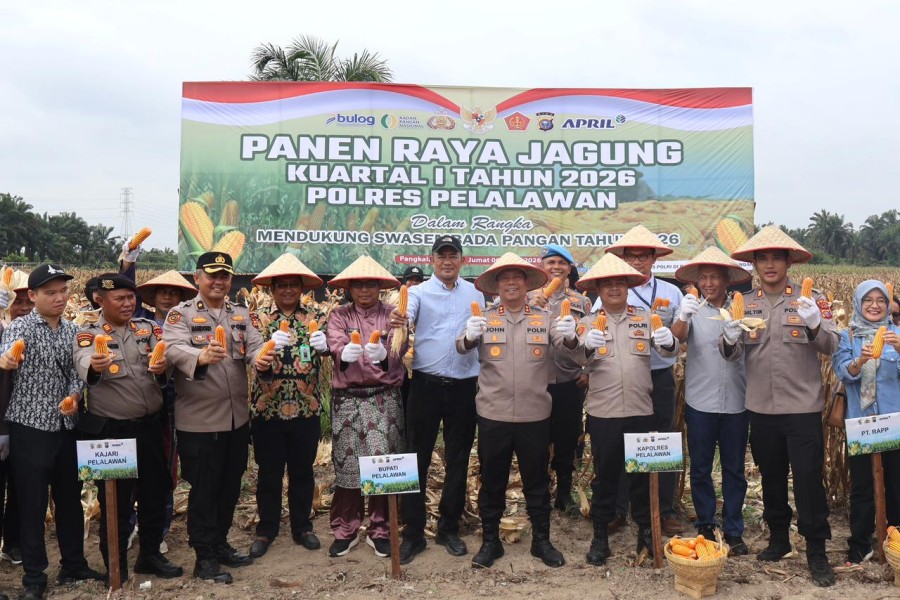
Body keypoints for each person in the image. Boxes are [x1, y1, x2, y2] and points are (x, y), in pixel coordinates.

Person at [723, 226, 838, 587]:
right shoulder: (743, 303)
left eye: (777, 258)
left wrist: (816, 325)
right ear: (755, 264)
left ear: (789, 263)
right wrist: (728, 339)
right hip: (761, 407)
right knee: (771, 478)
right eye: (763, 259)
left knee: (808, 480)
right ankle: (778, 539)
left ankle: (816, 551)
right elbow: (731, 354)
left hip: (802, 408)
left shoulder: (811, 299)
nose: (770, 264)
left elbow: (832, 344)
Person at [457, 252, 580, 569]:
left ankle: (542, 541)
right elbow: (461, 346)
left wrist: (571, 336)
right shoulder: (484, 317)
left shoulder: (544, 317)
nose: (511, 283)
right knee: (492, 481)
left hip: (534, 415)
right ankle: (490, 542)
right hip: (493, 415)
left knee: (537, 482)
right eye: (504, 278)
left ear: (527, 284)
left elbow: (567, 346)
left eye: (517, 278)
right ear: (497, 285)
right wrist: (468, 336)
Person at [163, 252, 276, 584]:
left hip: (235, 420)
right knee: (205, 491)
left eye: (225, 276)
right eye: (212, 275)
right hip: (200, 422)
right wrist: (200, 356)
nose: (219, 281)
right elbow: (172, 348)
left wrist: (262, 358)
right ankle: (204, 557)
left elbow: (254, 346)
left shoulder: (240, 314)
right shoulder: (181, 314)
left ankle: (220, 542)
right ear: (197, 278)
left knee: (229, 487)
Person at [72, 274, 183, 581]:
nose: (127, 304)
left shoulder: (146, 328)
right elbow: (83, 360)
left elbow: (165, 356)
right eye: (119, 298)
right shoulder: (88, 333)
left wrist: (163, 365)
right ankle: (115, 565)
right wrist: (94, 365)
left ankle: (149, 555)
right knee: (116, 503)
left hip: (150, 428)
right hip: (113, 434)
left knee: (154, 494)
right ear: (100, 300)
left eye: (130, 298)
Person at [0, 264, 102, 600]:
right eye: (50, 293)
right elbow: (8, 352)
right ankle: (34, 576)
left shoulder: (73, 331)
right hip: (30, 427)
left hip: (65, 427)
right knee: (32, 504)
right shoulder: (21, 327)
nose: (59, 298)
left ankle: (73, 564)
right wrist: (7, 360)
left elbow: (76, 371)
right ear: (32, 296)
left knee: (70, 500)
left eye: (63, 292)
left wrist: (74, 396)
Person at [573, 253, 679, 565]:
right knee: (605, 478)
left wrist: (669, 340)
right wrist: (585, 347)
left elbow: (668, 351)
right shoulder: (587, 323)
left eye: (620, 283)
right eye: (608, 284)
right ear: (599, 290)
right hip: (603, 413)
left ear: (628, 287)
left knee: (642, 477)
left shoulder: (645, 318)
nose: (615, 288)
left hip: (640, 410)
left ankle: (646, 533)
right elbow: (575, 360)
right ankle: (600, 537)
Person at [391, 235, 484, 564]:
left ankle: (448, 528)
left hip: (464, 386)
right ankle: (413, 533)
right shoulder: (417, 293)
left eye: (453, 255)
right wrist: (401, 319)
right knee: (416, 458)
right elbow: (406, 315)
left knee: (458, 459)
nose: (447, 261)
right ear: (432, 260)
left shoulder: (475, 294)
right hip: (426, 385)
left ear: (462, 260)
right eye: (441, 255)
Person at [245, 254, 329, 558]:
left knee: (302, 472)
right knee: (268, 473)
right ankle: (266, 529)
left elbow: (331, 349)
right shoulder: (257, 318)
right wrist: (266, 353)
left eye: (294, 284)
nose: (289, 290)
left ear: (302, 288)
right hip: (268, 408)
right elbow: (251, 357)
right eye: (282, 285)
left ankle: (302, 526)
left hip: (306, 408)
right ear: (272, 289)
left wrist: (326, 348)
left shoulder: (317, 316)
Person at [325, 255, 408, 559]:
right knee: (348, 465)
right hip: (348, 398)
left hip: (384, 396)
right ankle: (345, 528)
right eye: (358, 284)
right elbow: (334, 341)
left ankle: (381, 529)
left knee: (383, 463)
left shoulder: (394, 315)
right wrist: (343, 351)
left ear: (379, 287)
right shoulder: (339, 315)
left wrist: (386, 354)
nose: (364, 289)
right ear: (349, 287)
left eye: (370, 284)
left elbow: (401, 346)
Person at [603, 225, 684, 536]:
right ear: (623, 258)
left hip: (660, 375)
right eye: (631, 256)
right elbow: (593, 329)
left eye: (643, 256)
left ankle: (664, 510)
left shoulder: (671, 292)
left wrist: (676, 328)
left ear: (654, 259)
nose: (637, 262)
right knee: (625, 439)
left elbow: (682, 335)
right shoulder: (612, 289)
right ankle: (619, 509)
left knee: (662, 440)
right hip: (625, 376)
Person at [671, 247, 751, 555]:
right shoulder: (692, 308)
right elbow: (677, 337)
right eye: (703, 278)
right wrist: (682, 316)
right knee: (701, 468)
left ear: (727, 280)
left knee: (734, 469)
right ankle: (705, 523)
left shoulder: (742, 309)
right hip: (699, 401)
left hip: (736, 401)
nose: (708, 283)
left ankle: (733, 529)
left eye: (714, 277)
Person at [832, 280, 900, 566]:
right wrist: (859, 361)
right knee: (861, 486)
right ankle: (860, 543)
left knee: (896, 484)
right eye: (868, 300)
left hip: (894, 422)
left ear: (888, 305)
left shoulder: (897, 334)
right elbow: (842, 372)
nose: (875, 305)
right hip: (861, 424)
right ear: (858, 304)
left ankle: (894, 541)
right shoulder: (848, 335)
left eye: (881, 300)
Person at [528, 244, 592, 512]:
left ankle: (564, 493)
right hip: (536, 381)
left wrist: (587, 371)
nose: (556, 267)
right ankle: (539, 492)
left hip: (569, 380)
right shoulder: (528, 297)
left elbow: (591, 338)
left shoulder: (581, 301)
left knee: (568, 439)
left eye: (561, 263)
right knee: (537, 440)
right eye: (551, 262)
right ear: (542, 267)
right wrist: (531, 308)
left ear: (569, 268)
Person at [0, 269, 28, 569]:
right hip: (2, 423)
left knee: (21, 487)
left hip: (22, 425)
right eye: (17, 302)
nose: (23, 308)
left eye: (28, 302)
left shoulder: (33, 332)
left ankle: (14, 543)